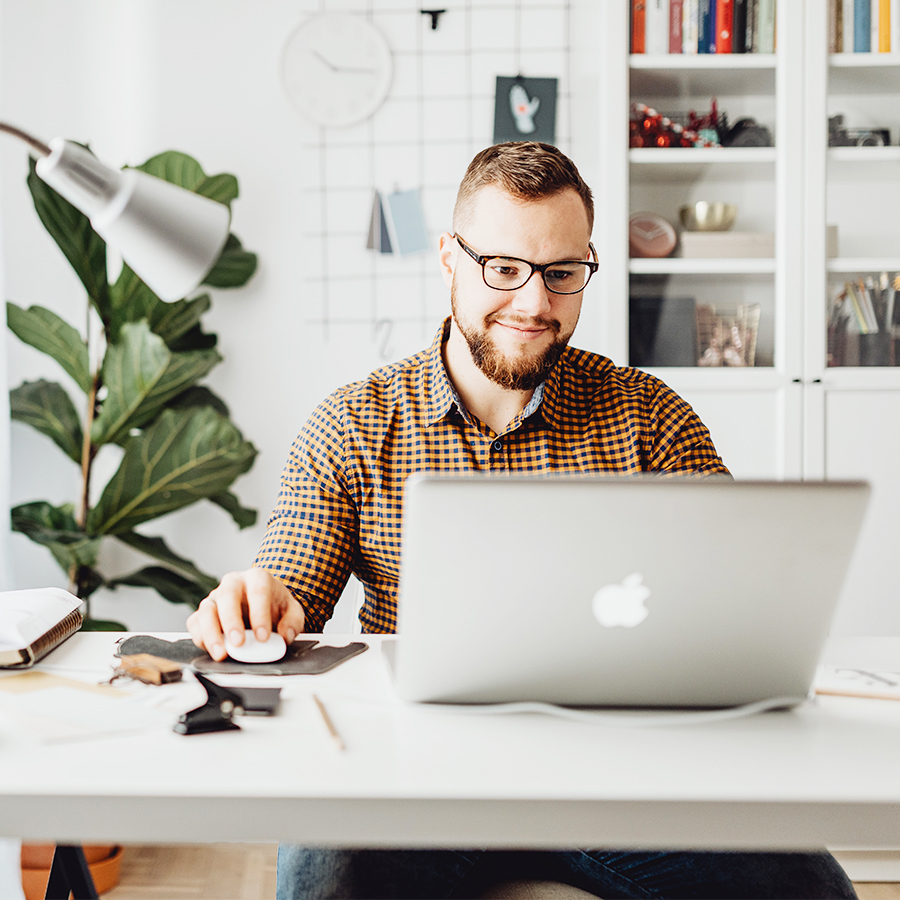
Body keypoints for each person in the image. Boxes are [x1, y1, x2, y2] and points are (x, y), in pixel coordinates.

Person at [187, 142, 856, 900]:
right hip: (410, 774)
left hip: (626, 772)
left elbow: (739, 601)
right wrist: (260, 604)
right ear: (449, 257)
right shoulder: (353, 422)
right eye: (503, 268)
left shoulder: (651, 418)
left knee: (814, 893)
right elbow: (290, 587)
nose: (535, 303)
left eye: (562, 273)